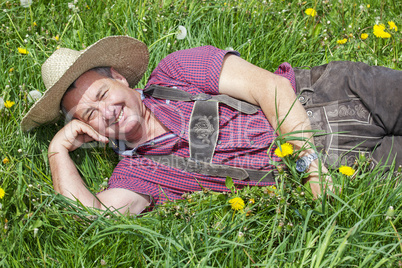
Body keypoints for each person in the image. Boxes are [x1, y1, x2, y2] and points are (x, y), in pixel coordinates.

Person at [21, 36, 402, 215]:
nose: (106, 112)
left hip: (334, 96)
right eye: (88, 114)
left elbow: (270, 88)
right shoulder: (138, 173)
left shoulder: (176, 70)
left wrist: (310, 170)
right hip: (353, 167)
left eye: (101, 94)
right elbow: (95, 216)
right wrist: (58, 151)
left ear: (120, 78)